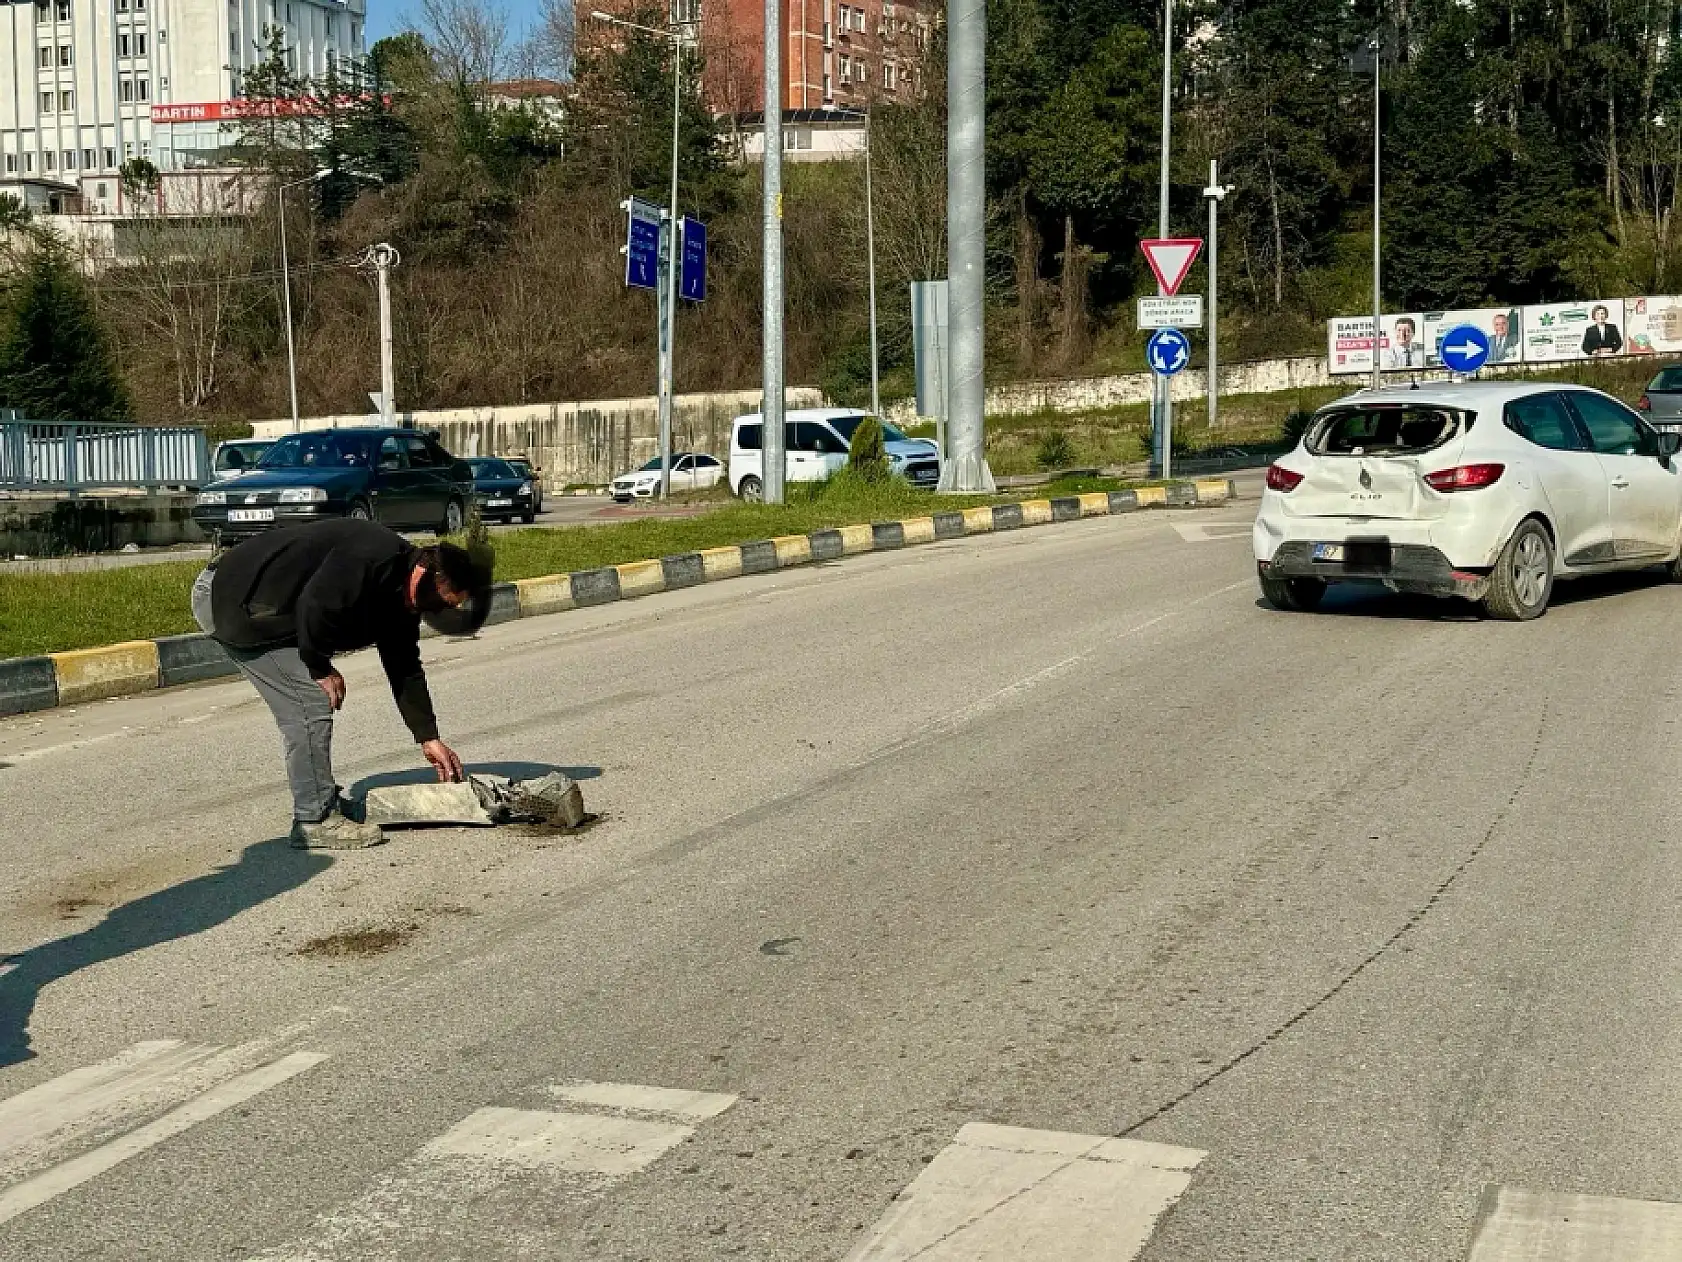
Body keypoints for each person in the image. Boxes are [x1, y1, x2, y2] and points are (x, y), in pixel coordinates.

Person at [191, 520, 494, 849]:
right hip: (233, 597)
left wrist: (428, 736)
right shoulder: (374, 554)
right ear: (429, 576)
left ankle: (322, 800)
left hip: (268, 605)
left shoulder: (403, 599)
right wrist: (319, 667)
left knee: (311, 699)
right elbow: (316, 603)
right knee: (308, 703)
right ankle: (313, 820)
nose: (443, 611)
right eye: (446, 601)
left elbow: (404, 666)